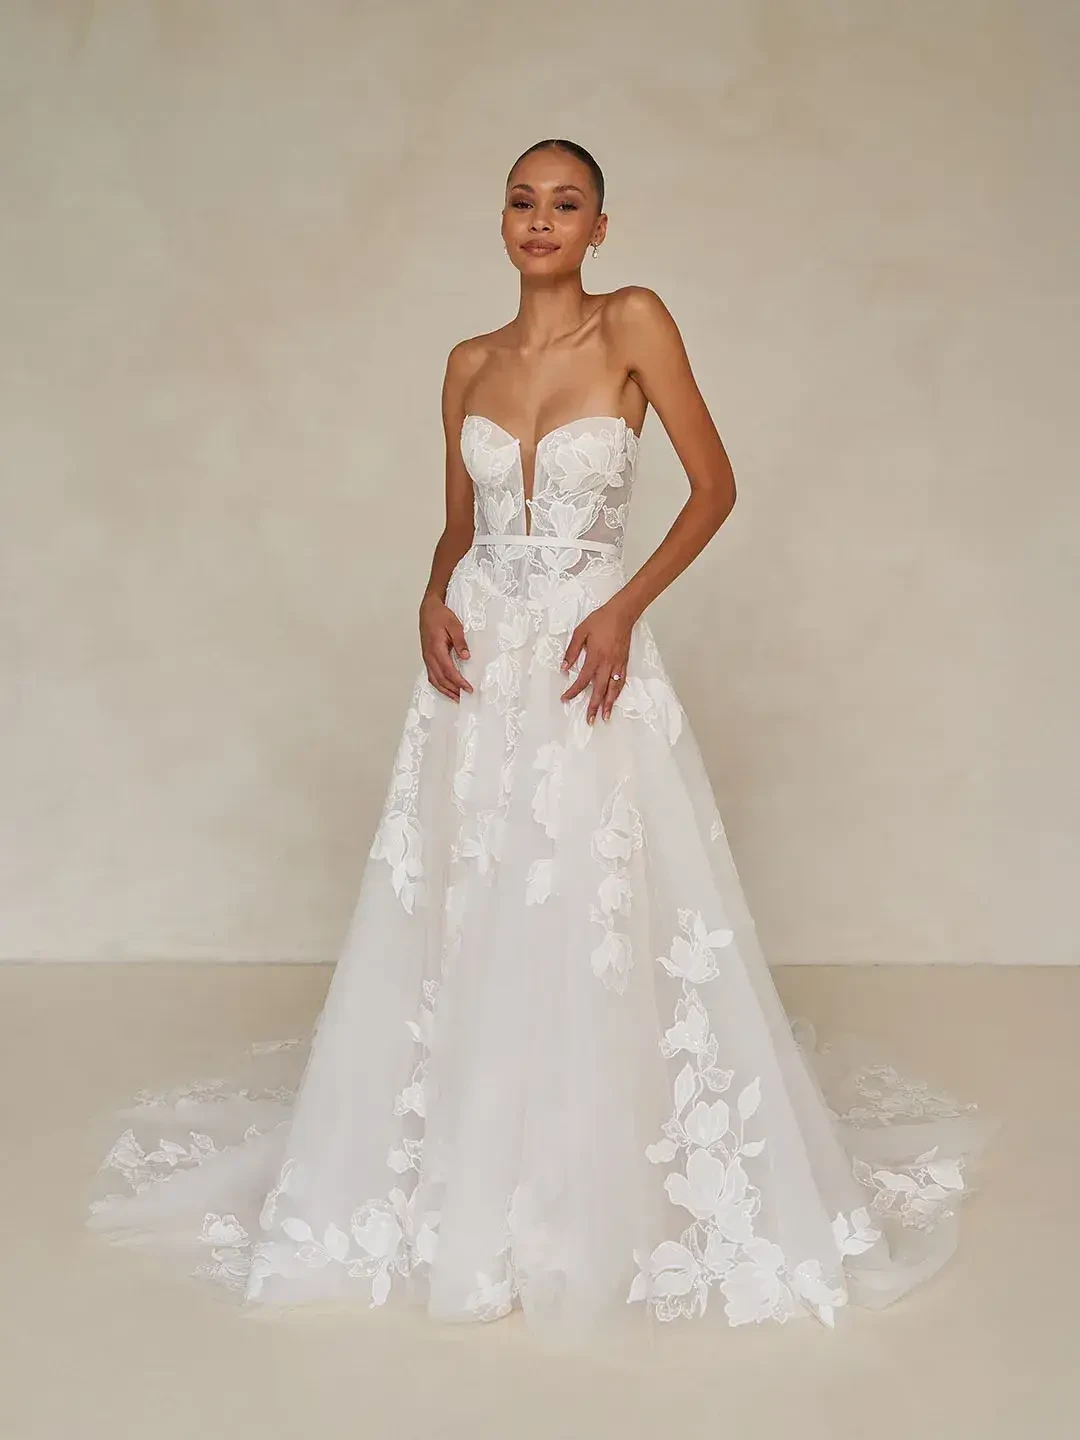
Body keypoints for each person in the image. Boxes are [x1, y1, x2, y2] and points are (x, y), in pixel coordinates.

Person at [85, 138, 994, 1338]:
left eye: (566, 203)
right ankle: (467, 1165)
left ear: (601, 226)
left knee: (589, 904)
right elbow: (455, 526)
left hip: (584, 657)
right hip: (477, 664)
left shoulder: (633, 323)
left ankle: (584, 1179)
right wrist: (428, 596)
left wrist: (620, 607)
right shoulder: (466, 362)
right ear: (500, 221)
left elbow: (715, 487)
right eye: (522, 201)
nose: (540, 219)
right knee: (471, 899)